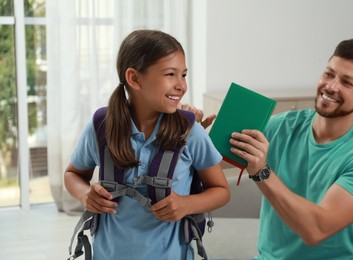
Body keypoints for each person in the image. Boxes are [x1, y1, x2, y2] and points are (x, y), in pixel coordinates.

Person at [64, 29, 230, 260]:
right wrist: (84, 195)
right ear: (134, 78)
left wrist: (187, 204)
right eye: (170, 74)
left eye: (184, 75)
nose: (181, 85)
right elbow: (73, 174)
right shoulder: (101, 127)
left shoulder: (191, 133)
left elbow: (222, 191)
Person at [224, 39, 353, 259]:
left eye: (347, 82)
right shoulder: (282, 125)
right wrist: (186, 133)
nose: (331, 86)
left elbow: (316, 229)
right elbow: (211, 158)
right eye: (329, 74)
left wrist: (262, 172)